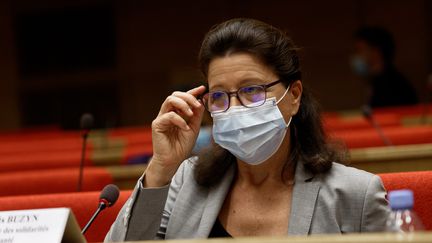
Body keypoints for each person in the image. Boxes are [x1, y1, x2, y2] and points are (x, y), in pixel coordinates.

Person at [105, 18, 389, 241]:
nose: (235, 107)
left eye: (251, 91)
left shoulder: (356, 194)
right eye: (219, 96)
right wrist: (161, 167)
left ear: (294, 96)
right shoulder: (184, 184)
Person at [351, 26, 418, 108]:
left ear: (376, 52)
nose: (357, 56)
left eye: (360, 50)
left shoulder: (394, 85)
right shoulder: (376, 81)